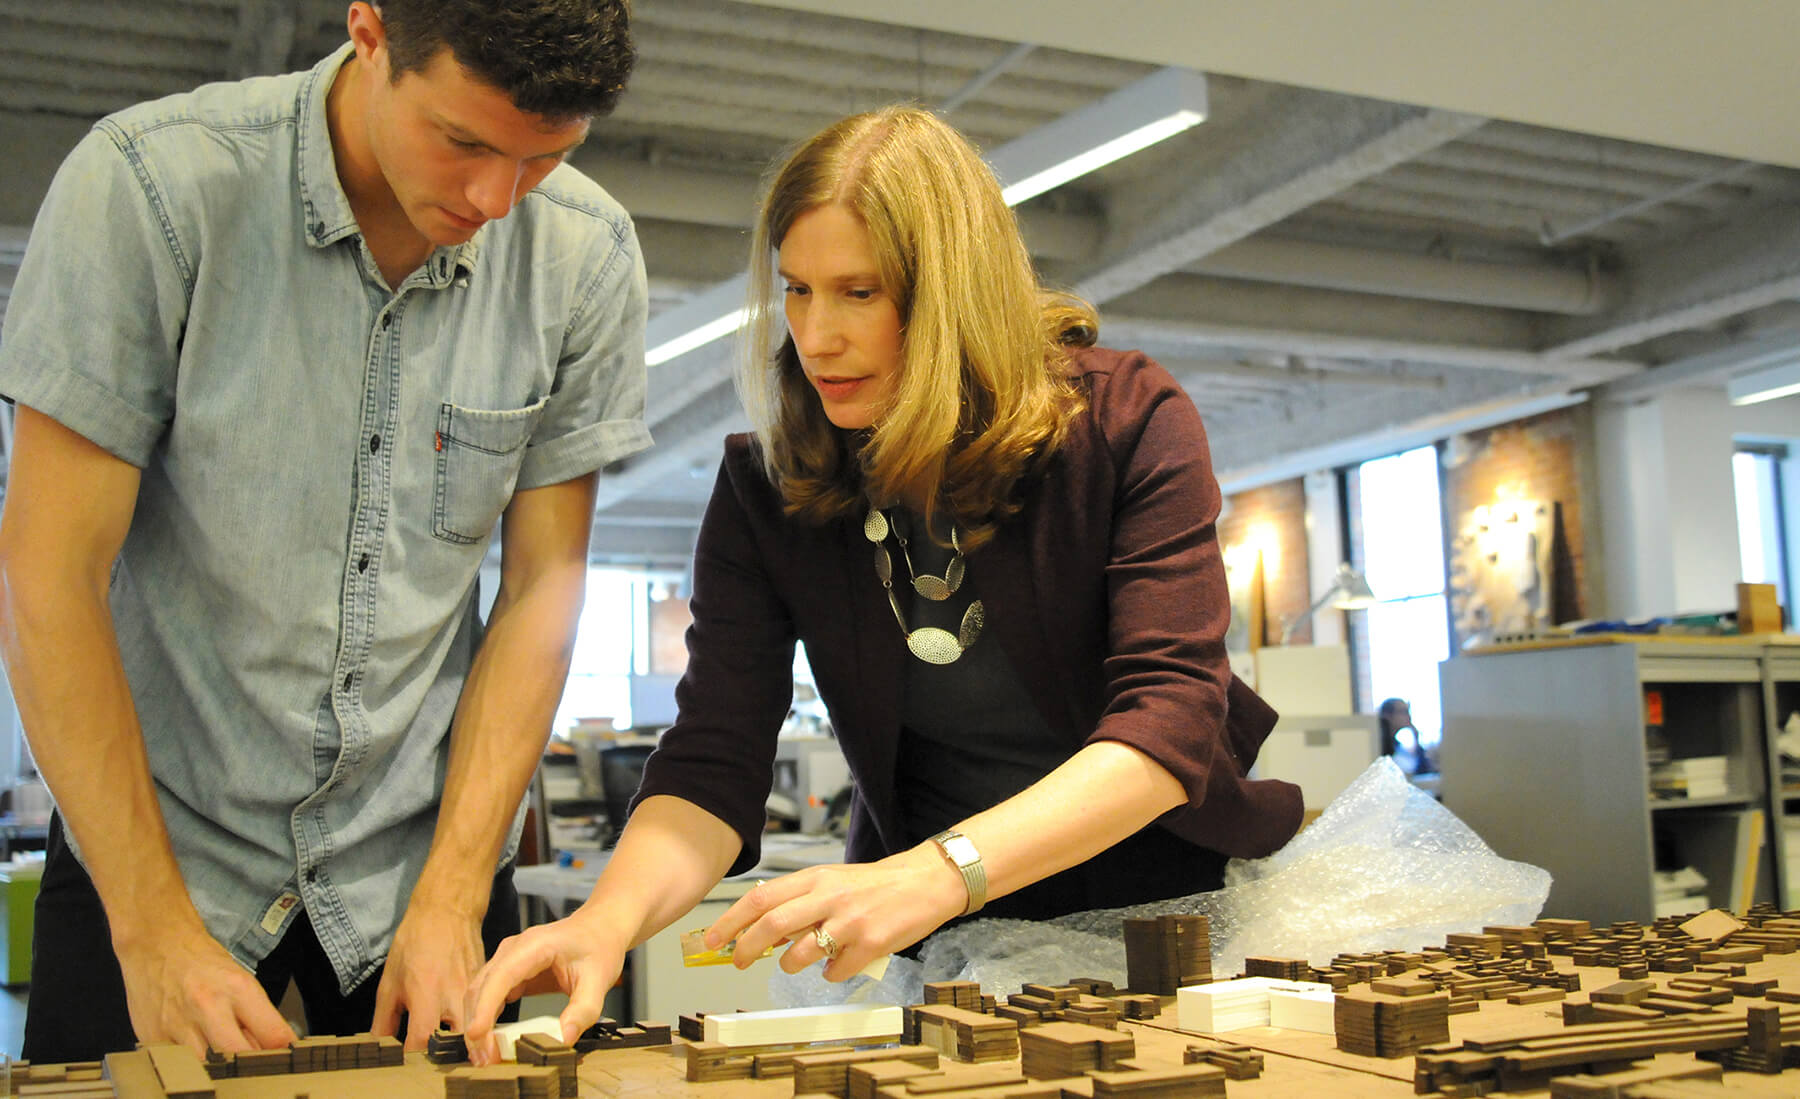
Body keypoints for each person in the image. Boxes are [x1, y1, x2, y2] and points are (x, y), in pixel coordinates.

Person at [462, 105, 1303, 1056]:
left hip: (1172, 921)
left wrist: (939, 872)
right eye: (797, 290)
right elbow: (712, 758)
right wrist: (605, 920)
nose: (815, 336)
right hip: (947, 948)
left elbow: (1168, 722)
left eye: (859, 293)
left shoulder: (1124, 423)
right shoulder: (766, 487)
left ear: (955, 295)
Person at [0, 0, 648, 1062]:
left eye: (544, 158)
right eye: (463, 141)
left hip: (422, 874)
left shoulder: (584, 253)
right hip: (158, 858)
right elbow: (48, 575)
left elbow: (543, 588)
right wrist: (152, 929)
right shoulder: (153, 189)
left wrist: (454, 890)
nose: (494, 199)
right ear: (370, 32)